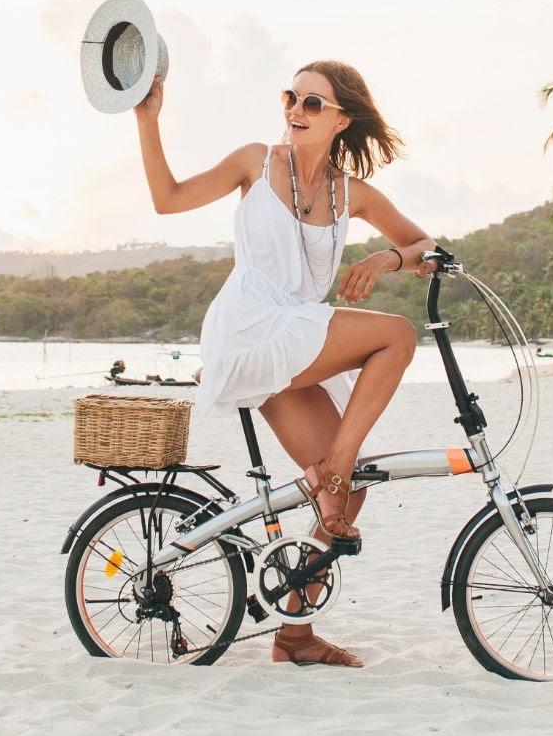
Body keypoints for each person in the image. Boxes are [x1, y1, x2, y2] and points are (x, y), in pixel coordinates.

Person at [133, 60, 434, 668]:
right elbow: (167, 201)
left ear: (342, 120)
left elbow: (426, 247)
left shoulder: (355, 194)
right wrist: (148, 120)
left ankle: (294, 636)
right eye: (291, 97)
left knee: (349, 497)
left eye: (313, 104)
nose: (296, 110)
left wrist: (384, 260)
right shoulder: (255, 162)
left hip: (296, 336)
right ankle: (336, 473)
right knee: (398, 337)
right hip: (250, 327)